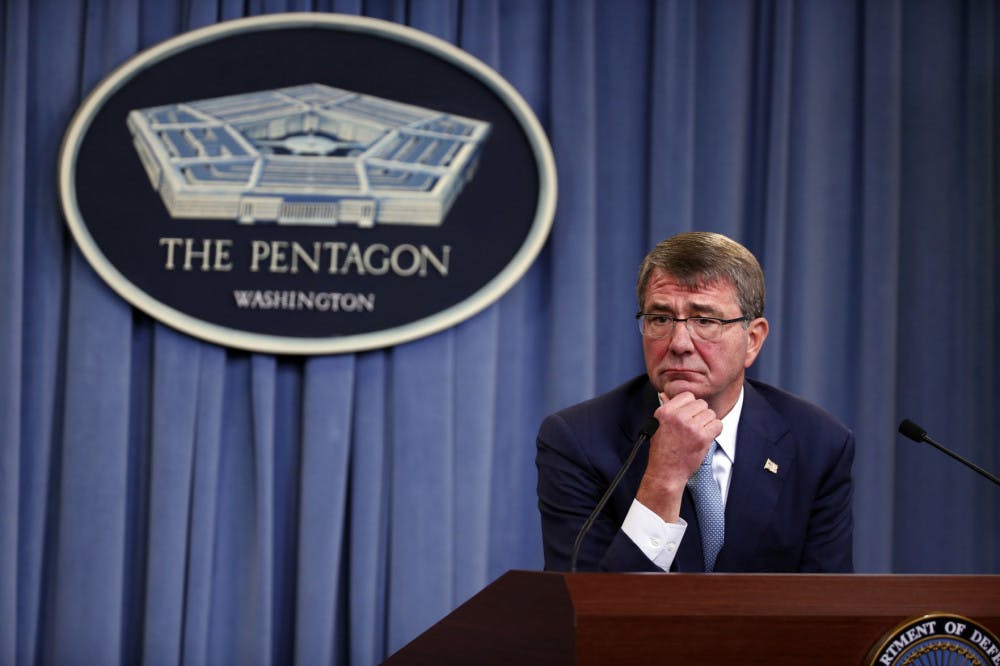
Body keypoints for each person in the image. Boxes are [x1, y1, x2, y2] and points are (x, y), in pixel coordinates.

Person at [535, 231, 854, 573]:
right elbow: (585, 607)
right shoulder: (578, 440)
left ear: (753, 340)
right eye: (660, 319)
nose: (679, 343)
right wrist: (664, 479)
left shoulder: (818, 442)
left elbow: (827, 608)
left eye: (705, 321)